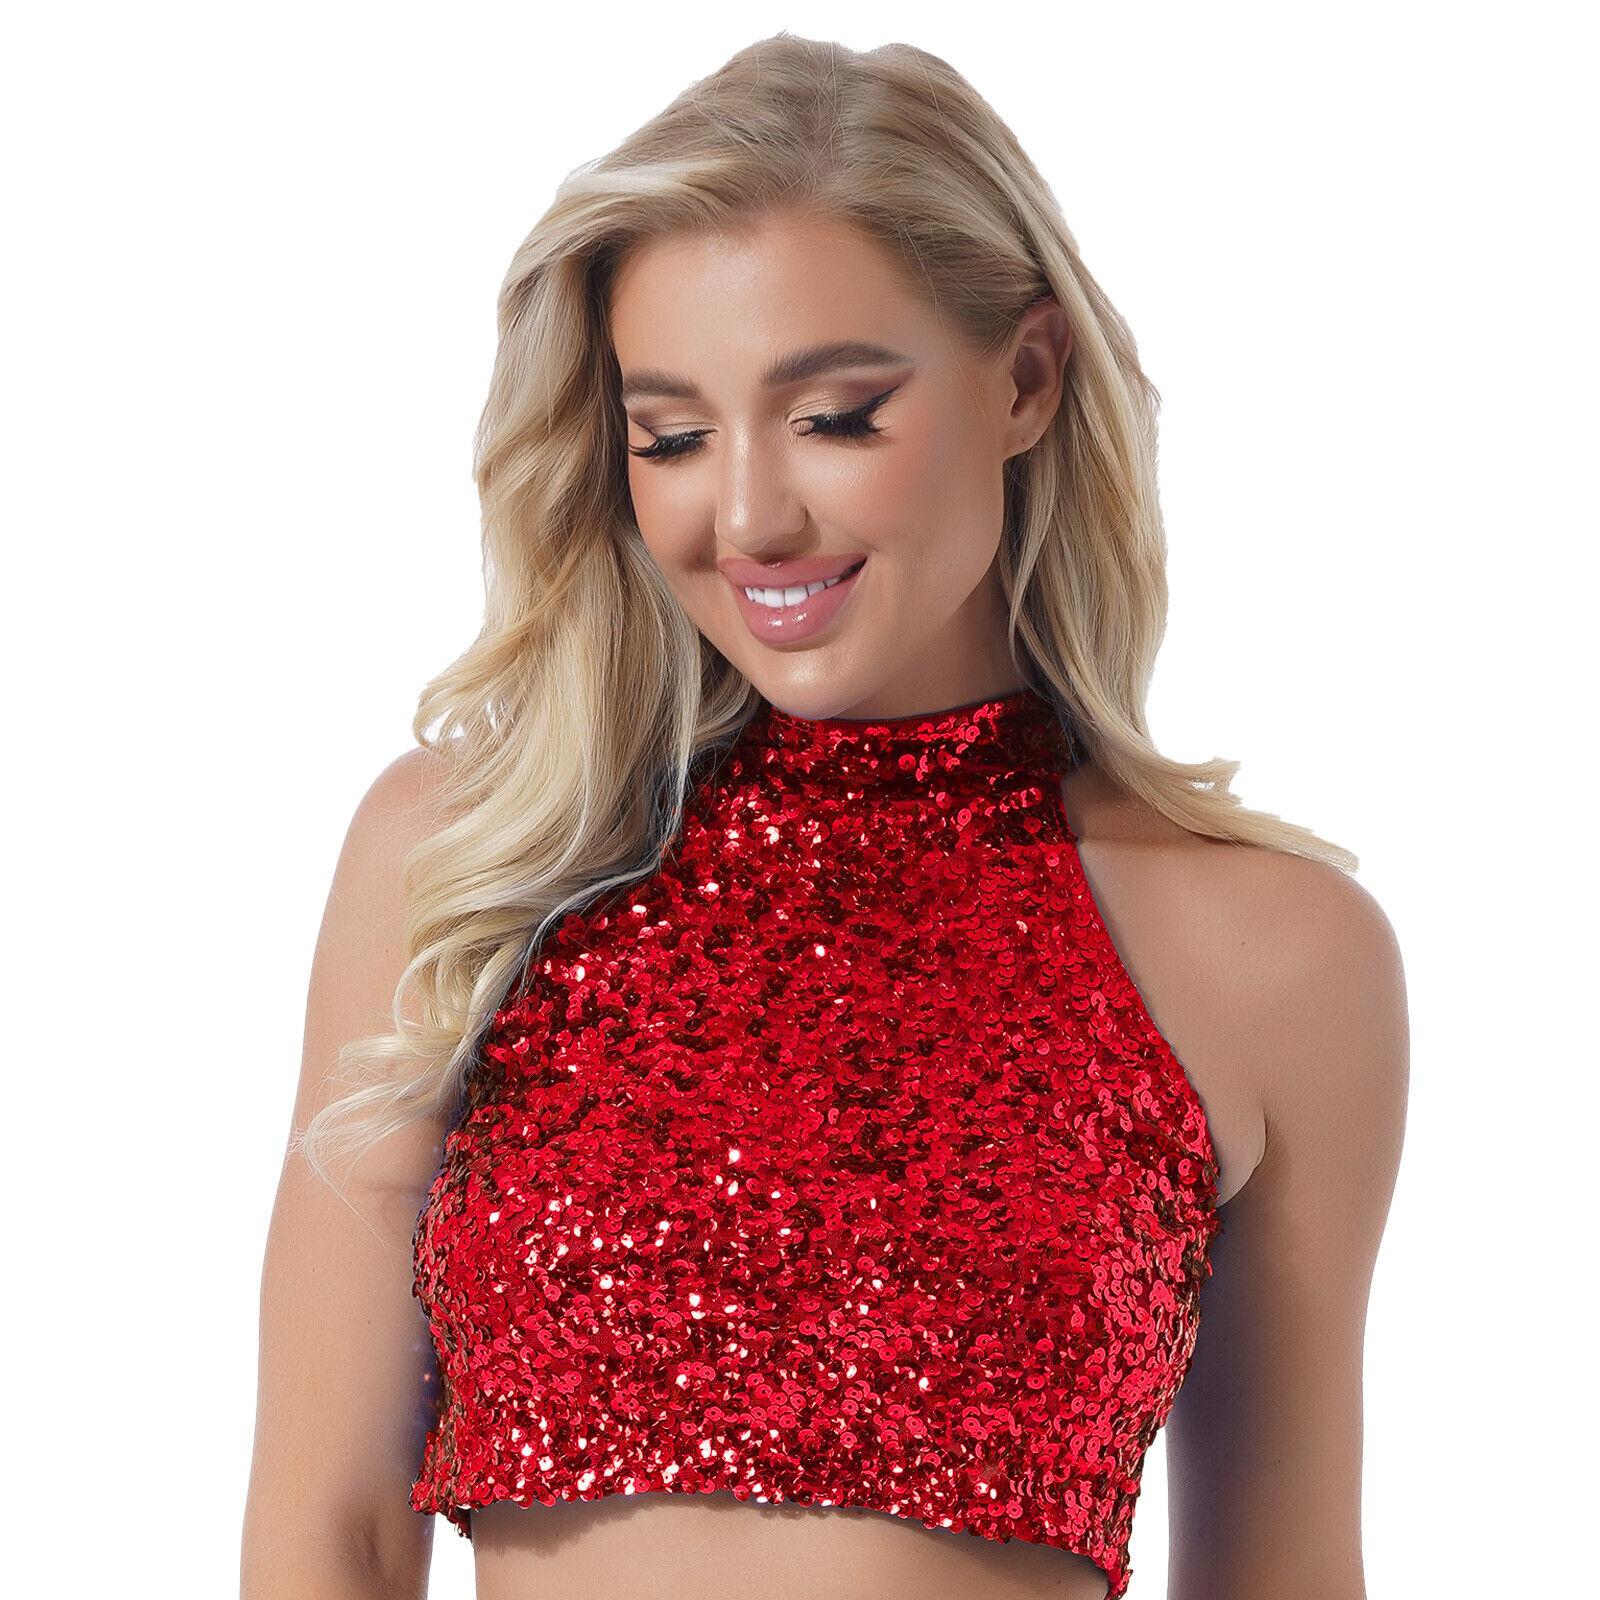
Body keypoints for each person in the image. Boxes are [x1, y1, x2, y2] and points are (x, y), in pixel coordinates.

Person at [242, 32, 1408, 1600]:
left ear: (1027, 378)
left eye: (836, 417)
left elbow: (1283, 1575)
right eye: (671, 436)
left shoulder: (1276, 953)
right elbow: (326, 1530)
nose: (748, 516)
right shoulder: (474, 854)